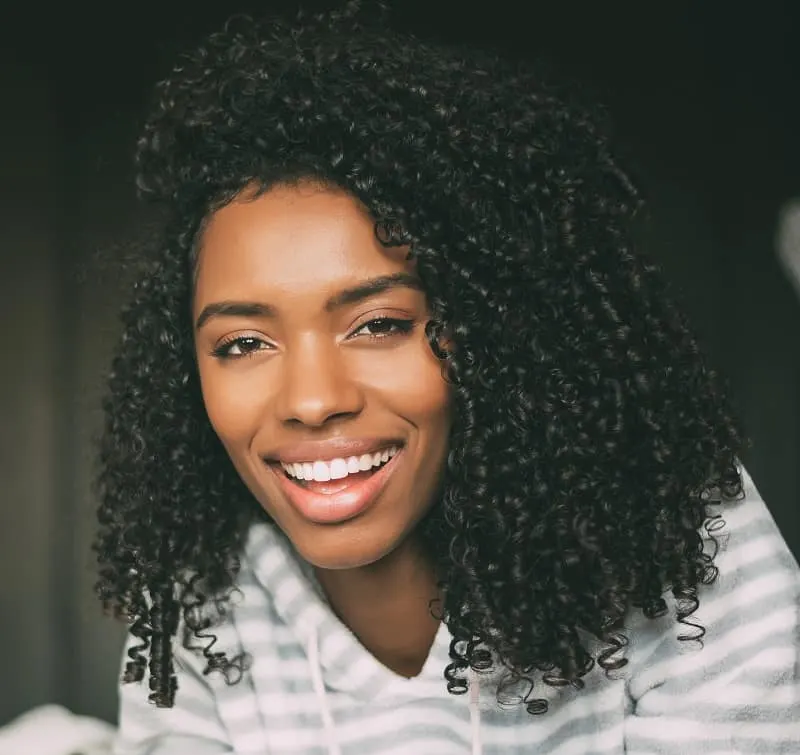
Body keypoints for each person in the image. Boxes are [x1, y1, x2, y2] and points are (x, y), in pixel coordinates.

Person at [94, 3, 800, 753]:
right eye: (242, 342)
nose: (311, 399)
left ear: (494, 327)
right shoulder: (196, 605)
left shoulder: (666, 532)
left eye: (380, 325)